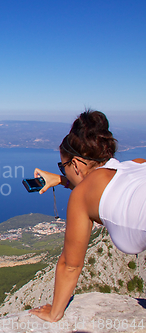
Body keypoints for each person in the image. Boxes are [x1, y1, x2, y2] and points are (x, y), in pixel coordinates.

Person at [29, 110, 146, 322]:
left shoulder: (82, 196)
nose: (64, 173)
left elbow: (70, 265)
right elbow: (100, 187)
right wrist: (63, 180)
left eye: (63, 167)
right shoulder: (138, 164)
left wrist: (55, 312)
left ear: (75, 164)